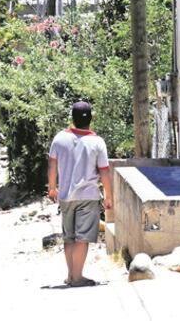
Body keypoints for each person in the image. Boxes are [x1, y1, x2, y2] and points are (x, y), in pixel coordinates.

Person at [48, 101, 112, 288]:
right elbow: (104, 171)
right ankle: (77, 277)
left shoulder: (59, 139)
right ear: (90, 119)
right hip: (88, 196)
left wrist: (52, 188)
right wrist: (108, 196)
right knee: (82, 238)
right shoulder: (97, 142)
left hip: (66, 196)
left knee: (69, 237)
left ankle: (71, 275)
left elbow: (52, 164)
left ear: (73, 119)